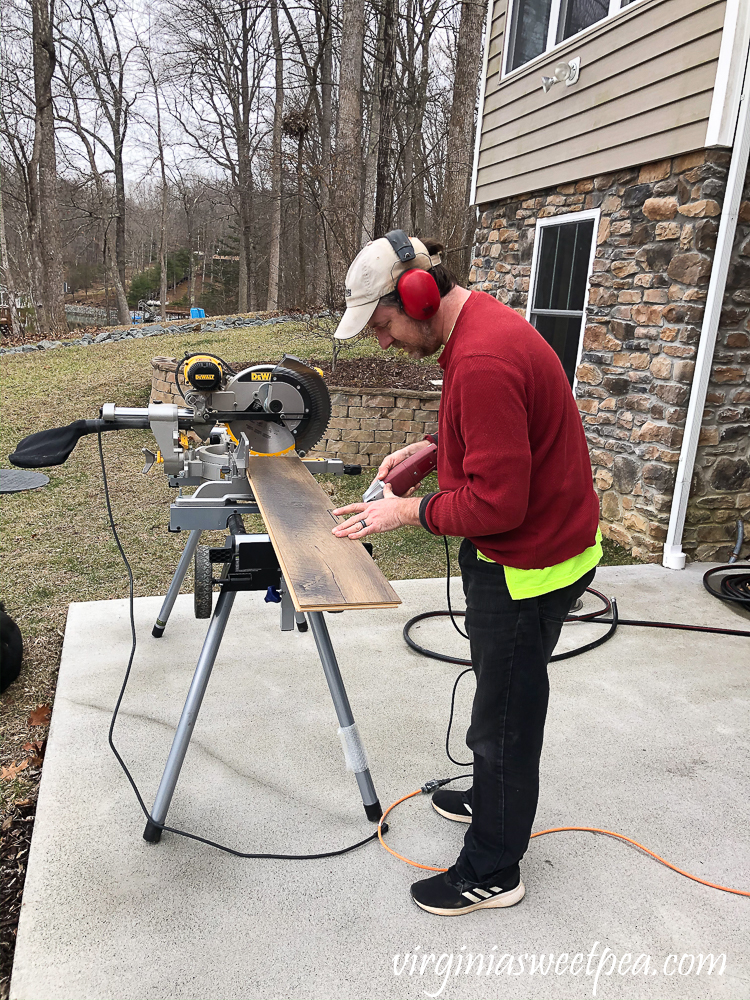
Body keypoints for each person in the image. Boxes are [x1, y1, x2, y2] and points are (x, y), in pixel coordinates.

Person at [331, 231, 601, 916]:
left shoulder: (479, 360)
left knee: (503, 721)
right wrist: (427, 452)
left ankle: (493, 869)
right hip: (543, 545)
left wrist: (405, 513)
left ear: (416, 297)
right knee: (500, 699)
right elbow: (502, 435)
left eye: (384, 324)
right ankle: (490, 798)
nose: (384, 343)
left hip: (526, 565)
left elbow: (497, 502)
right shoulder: (481, 326)